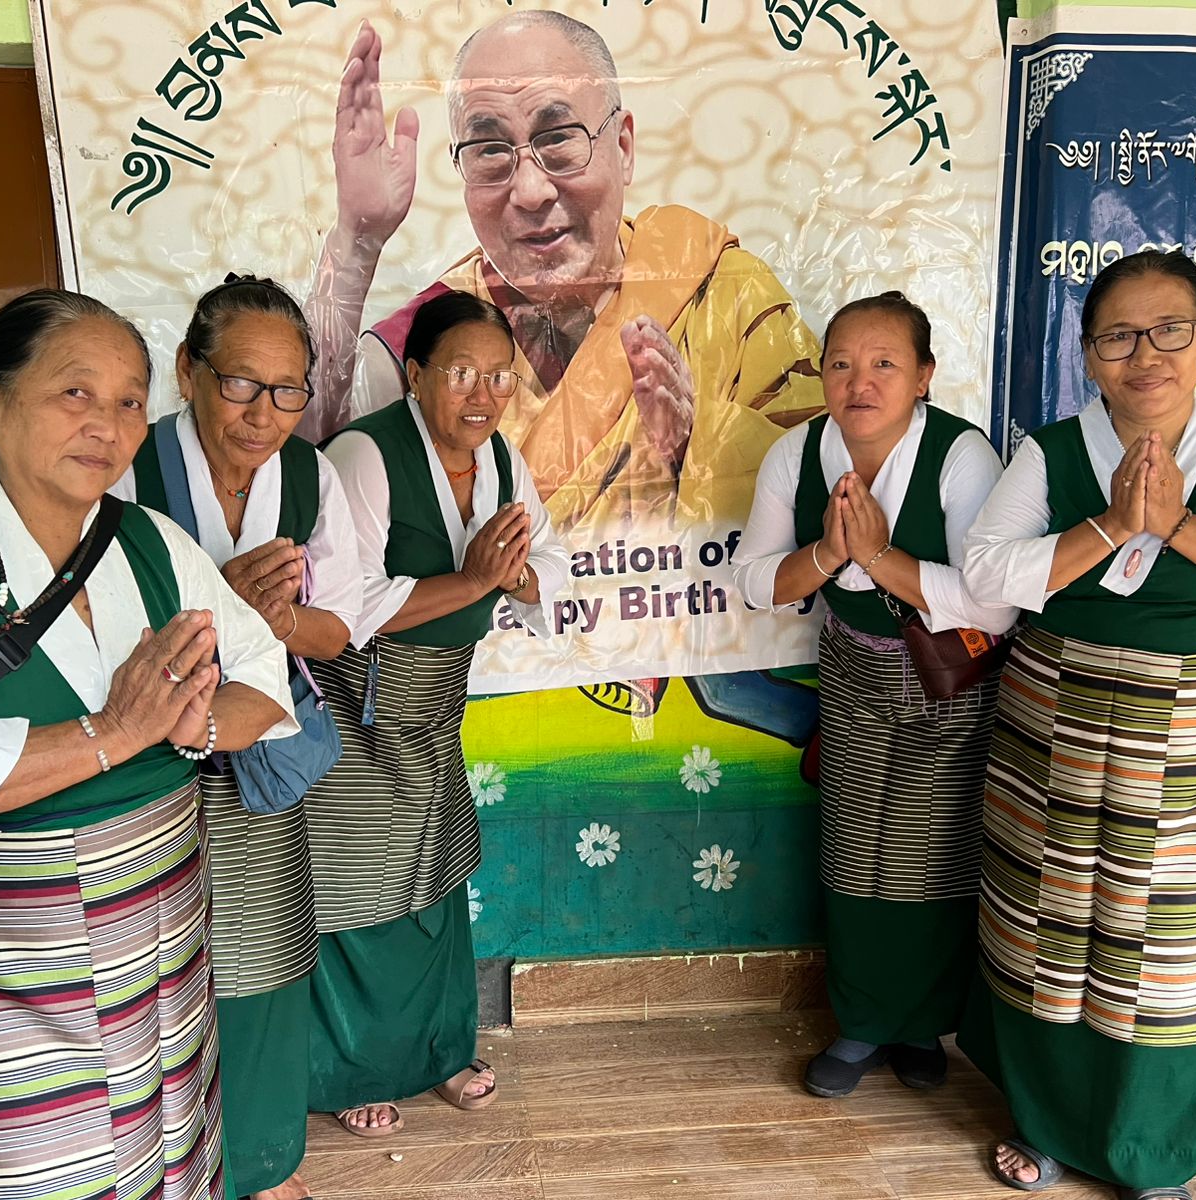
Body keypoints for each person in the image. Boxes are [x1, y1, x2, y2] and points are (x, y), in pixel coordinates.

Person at [0, 289, 297, 1199]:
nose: (108, 426)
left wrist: (186, 724)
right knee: (39, 1158)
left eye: (130, 400)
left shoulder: (153, 544)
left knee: (170, 1127)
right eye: (74, 393)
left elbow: (263, 683)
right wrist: (115, 733)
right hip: (8, 944)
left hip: (160, 915)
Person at [306, 8, 824, 746]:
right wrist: (357, 242)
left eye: (557, 140)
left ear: (623, 143)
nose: (528, 190)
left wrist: (699, 442)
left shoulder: (718, 285)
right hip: (484, 722)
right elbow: (301, 453)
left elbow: (825, 479)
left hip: (706, 719)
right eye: (490, 151)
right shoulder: (435, 330)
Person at [959, 250, 1196, 1200]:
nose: (1144, 356)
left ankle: (1156, 1153)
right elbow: (986, 575)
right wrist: (1109, 526)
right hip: (1054, 721)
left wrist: (1180, 522)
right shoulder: (1054, 451)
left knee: (1167, 950)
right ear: (1086, 355)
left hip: (1194, 733)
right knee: (1047, 926)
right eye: (1116, 336)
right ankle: (1048, 1125)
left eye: (1169, 331)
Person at [733, 292, 1016, 1098]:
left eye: (885, 363)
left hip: (946, 679)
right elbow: (756, 582)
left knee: (934, 855)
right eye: (841, 364)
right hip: (854, 667)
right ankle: (860, 1024)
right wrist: (828, 550)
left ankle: (921, 1022)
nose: (860, 382)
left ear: (924, 376)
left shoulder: (963, 457)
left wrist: (882, 558)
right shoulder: (800, 454)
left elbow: (993, 603)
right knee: (856, 852)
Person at [113, 275, 359, 1200]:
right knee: (153, 970)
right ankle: (164, 1162)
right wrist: (223, 597)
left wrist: (273, 624)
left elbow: (344, 630)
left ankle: (257, 1160)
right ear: (188, 371)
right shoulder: (128, 473)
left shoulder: (310, 477)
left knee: (256, 961)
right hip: (146, 760)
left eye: (290, 391)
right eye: (241, 385)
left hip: (259, 757)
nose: (265, 415)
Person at [308, 291, 570, 1137]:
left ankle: (442, 1050)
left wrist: (520, 578)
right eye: (462, 372)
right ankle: (354, 1071)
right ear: (416, 375)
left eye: (500, 376)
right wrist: (475, 581)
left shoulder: (501, 463)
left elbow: (549, 563)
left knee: (435, 876)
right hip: (354, 703)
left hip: (433, 705)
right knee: (355, 892)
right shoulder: (363, 456)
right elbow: (347, 604)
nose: (483, 393)